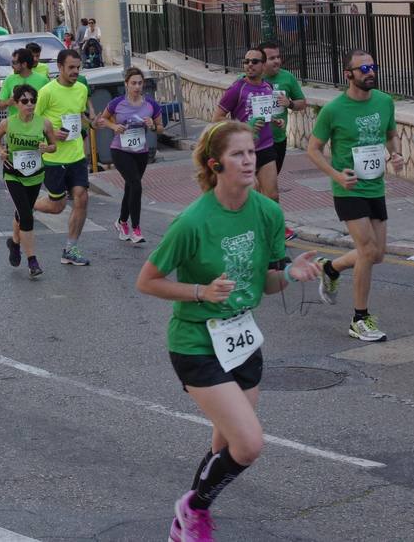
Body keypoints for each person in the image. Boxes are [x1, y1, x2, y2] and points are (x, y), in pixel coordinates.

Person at [135, 120, 322, 540]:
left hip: (241, 340)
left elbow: (269, 284)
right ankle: (193, 508)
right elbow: (147, 281)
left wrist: (291, 272)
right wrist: (201, 290)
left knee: (224, 445)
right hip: (197, 342)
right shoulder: (193, 222)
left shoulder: (268, 212)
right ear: (215, 164)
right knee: (249, 443)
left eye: (252, 152)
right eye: (238, 154)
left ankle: (185, 520)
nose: (249, 160)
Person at [305, 49, 403, 343]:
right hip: (348, 189)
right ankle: (360, 318)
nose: (369, 72)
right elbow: (313, 149)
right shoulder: (334, 110)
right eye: (363, 69)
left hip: (376, 186)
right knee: (367, 250)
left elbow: (390, 133)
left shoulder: (385, 101)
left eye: (372, 66)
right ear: (348, 74)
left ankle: (330, 268)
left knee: (377, 254)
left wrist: (396, 153)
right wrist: (336, 175)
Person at [34, 49, 96, 266]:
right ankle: (29, 204)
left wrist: (90, 122)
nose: (75, 71)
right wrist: (51, 134)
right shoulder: (47, 92)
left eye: (78, 67)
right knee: (57, 206)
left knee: (82, 198)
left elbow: (78, 114)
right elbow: (33, 120)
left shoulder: (81, 88)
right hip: (54, 158)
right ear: (60, 67)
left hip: (77, 155)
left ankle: (71, 248)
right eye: (71, 67)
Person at [0, 83, 59, 278]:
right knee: (27, 216)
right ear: (16, 103)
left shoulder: (44, 123)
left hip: (36, 175)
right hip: (13, 174)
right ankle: (33, 261)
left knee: (24, 212)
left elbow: (54, 145)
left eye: (33, 101)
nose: (29, 104)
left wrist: (48, 149)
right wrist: (2, 151)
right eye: (25, 101)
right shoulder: (8, 123)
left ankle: (14, 242)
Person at [98, 67, 163, 245]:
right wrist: (114, 127)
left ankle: (121, 222)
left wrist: (151, 126)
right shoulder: (117, 103)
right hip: (120, 151)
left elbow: (160, 128)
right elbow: (103, 120)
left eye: (140, 83)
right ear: (126, 84)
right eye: (133, 83)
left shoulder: (150, 105)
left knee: (130, 188)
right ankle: (136, 229)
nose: (137, 86)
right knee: (136, 184)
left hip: (140, 152)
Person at [213, 48, 279, 203]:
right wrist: (243, 125)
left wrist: (275, 120)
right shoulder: (237, 88)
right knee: (250, 198)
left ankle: (274, 226)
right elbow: (217, 118)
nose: (250, 65)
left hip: (266, 146)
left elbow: (264, 115)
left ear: (263, 65)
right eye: (246, 61)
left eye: (254, 62)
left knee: (273, 195)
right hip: (244, 150)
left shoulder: (268, 87)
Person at [259, 40, 306, 240]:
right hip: (254, 143)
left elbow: (302, 103)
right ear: (261, 61)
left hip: (277, 140)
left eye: (278, 56)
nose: (277, 61)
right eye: (271, 58)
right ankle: (275, 228)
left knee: (268, 188)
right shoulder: (249, 80)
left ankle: (267, 226)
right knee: (266, 189)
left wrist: (290, 103)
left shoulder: (287, 78)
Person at [0, 48, 49, 117]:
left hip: (37, 124)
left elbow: (49, 105)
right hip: (15, 125)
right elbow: (0, 106)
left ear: (24, 64)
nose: (12, 66)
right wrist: (8, 102)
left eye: (15, 63)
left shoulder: (43, 80)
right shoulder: (9, 80)